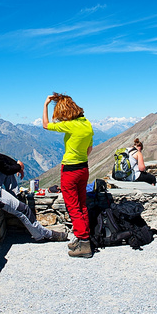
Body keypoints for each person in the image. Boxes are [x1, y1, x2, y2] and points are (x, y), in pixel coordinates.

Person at [0, 124, 67, 242]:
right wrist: (19, 167)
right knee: (23, 209)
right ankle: (44, 235)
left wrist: (16, 163)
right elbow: (7, 169)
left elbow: (2, 159)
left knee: (7, 171)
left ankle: (14, 196)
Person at [42, 93, 95, 258]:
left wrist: (45, 105)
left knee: (73, 207)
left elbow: (46, 125)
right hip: (83, 169)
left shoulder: (70, 125)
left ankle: (84, 243)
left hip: (70, 171)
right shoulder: (87, 124)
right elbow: (89, 149)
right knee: (82, 205)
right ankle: (82, 239)